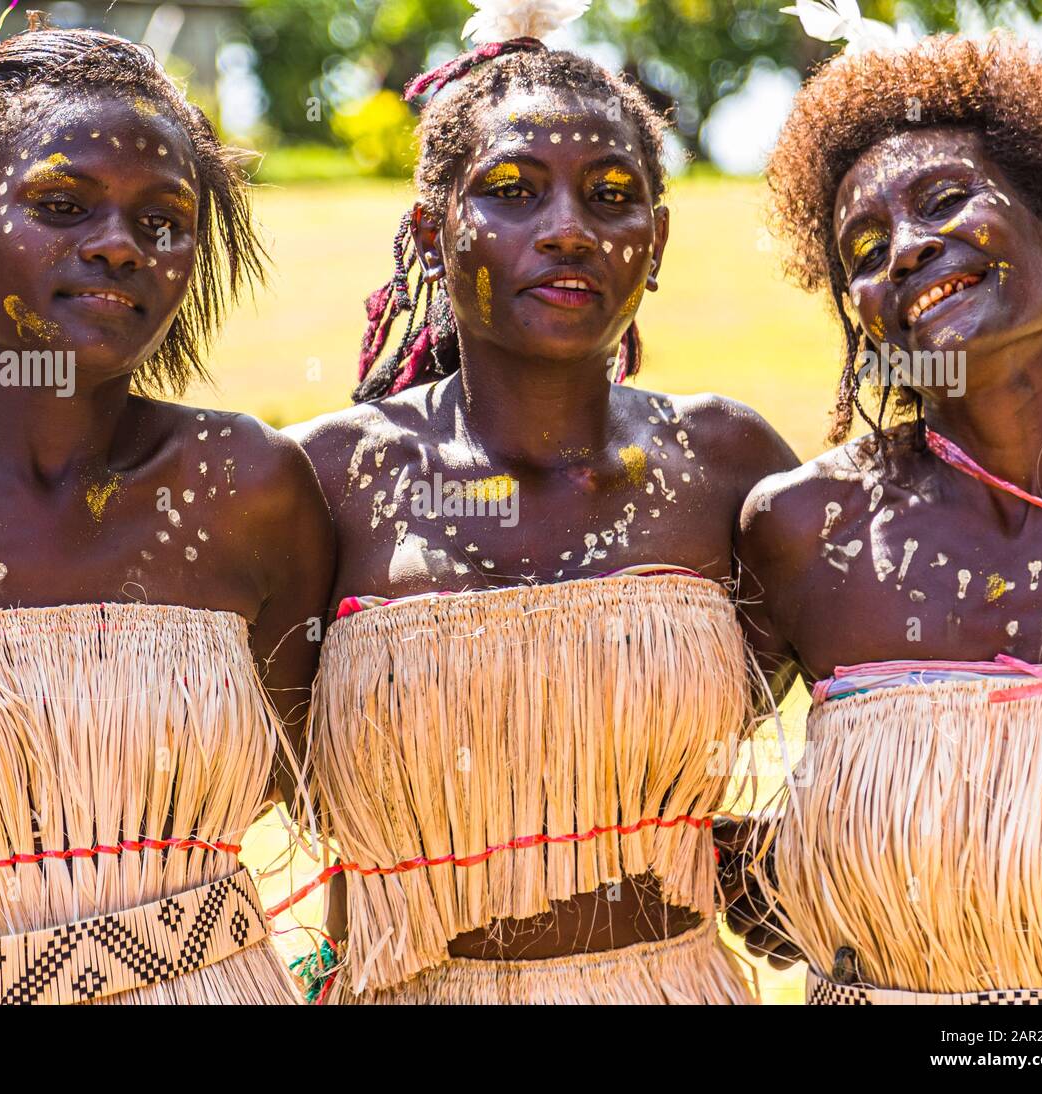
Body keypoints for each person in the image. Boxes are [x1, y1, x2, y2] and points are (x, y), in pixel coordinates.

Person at [0, 10, 333, 1003]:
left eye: (162, 219)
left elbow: (304, 761)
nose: (119, 246)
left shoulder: (250, 487)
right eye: (62, 203)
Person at [288, 2, 796, 1004]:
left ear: (653, 240)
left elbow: (894, 691)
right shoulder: (323, 481)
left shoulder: (725, 464)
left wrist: (794, 853)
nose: (568, 227)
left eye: (612, 195)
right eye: (513, 191)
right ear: (432, 236)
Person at [737, 32, 1042, 1003]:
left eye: (946, 201)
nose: (905, 247)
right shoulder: (806, 528)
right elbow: (662, 806)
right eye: (864, 250)